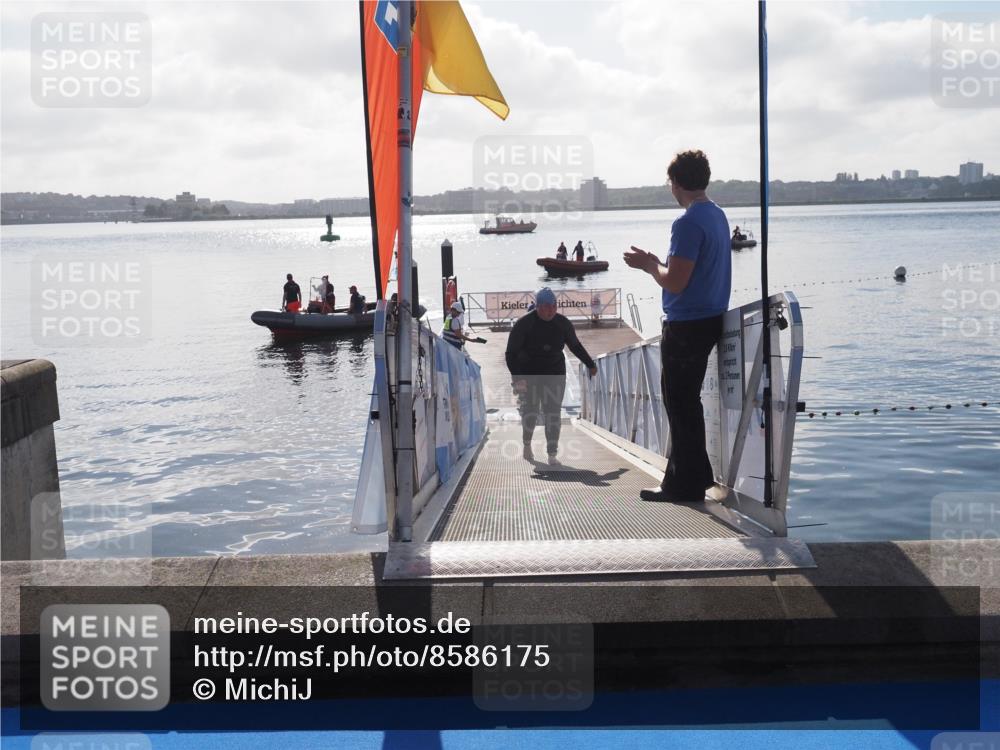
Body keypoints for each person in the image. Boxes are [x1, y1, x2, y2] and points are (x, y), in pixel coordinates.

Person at [623, 149, 731, 503]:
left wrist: (649, 266)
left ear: (676, 183)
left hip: (687, 325)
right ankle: (697, 476)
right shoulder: (718, 215)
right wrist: (658, 263)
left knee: (680, 403)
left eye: (670, 182)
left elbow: (675, 282)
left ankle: (683, 485)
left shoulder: (687, 223)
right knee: (687, 402)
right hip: (711, 318)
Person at [505, 287, 598, 465]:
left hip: (555, 373)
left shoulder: (562, 323)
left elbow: (575, 346)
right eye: (547, 306)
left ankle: (552, 454)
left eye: (554, 306)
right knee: (531, 411)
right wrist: (518, 379)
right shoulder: (524, 324)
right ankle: (527, 443)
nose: (551, 310)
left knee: (553, 413)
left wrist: (590, 364)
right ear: (538, 306)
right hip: (529, 374)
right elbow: (510, 354)